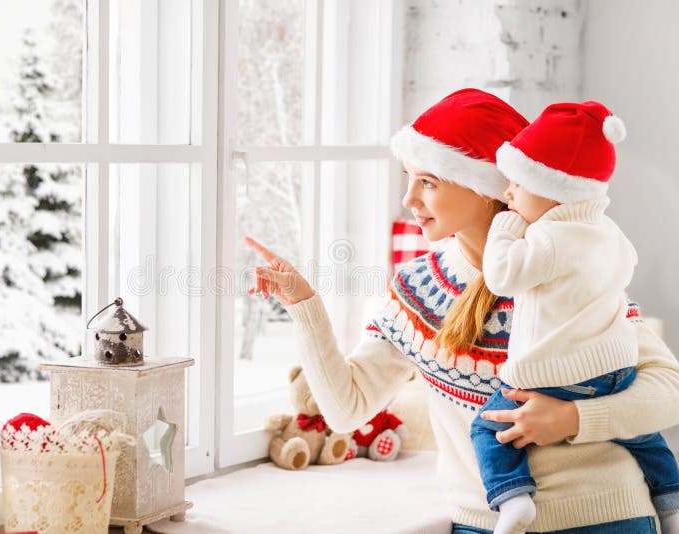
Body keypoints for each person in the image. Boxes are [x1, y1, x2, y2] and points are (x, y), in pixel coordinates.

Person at [244, 88, 679, 533]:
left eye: (429, 181)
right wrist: (304, 305)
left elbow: (668, 389)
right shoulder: (418, 289)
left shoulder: (565, 260)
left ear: (487, 188)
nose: (409, 198)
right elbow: (346, 409)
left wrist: (571, 419)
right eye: (409, 178)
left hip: (605, 517)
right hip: (484, 523)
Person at [471, 101, 679, 534]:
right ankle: (672, 500)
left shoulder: (547, 238)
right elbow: (625, 269)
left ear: (555, 190)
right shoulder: (610, 232)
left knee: (488, 428)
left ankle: (513, 498)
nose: (507, 194)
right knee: (643, 436)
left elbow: (501, 275)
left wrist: (506, 228)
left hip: (555, 376)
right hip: (616, 371)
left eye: (517, 184)